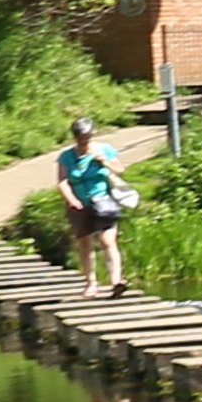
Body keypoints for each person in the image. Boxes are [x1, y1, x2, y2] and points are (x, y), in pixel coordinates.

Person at [54, 116, 134, 294]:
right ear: (75, 137)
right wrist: (72, 200)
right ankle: (91, 282)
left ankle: (116, 281)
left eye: (87, 137)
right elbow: (62, 181)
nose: (84, 141)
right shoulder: (66, 157)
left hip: (104, 201)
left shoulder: (104, 149)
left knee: (108, 241)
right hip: (80, 205)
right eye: (81, 138)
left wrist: (104, 161)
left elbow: (120, 170)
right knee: (85, 243)